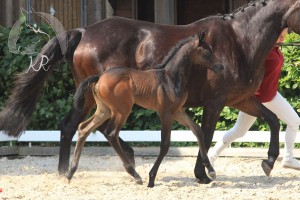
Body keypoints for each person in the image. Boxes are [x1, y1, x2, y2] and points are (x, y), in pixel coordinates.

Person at [208, 28, 300, 170]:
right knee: (238, 131)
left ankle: (288, 158)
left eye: (284, 37)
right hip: (257, 98)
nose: (282, 40)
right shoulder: (262, 51)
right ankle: (210, 157)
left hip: (271, 95)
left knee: (294, 121)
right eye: (280, 36)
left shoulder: (275, 48)